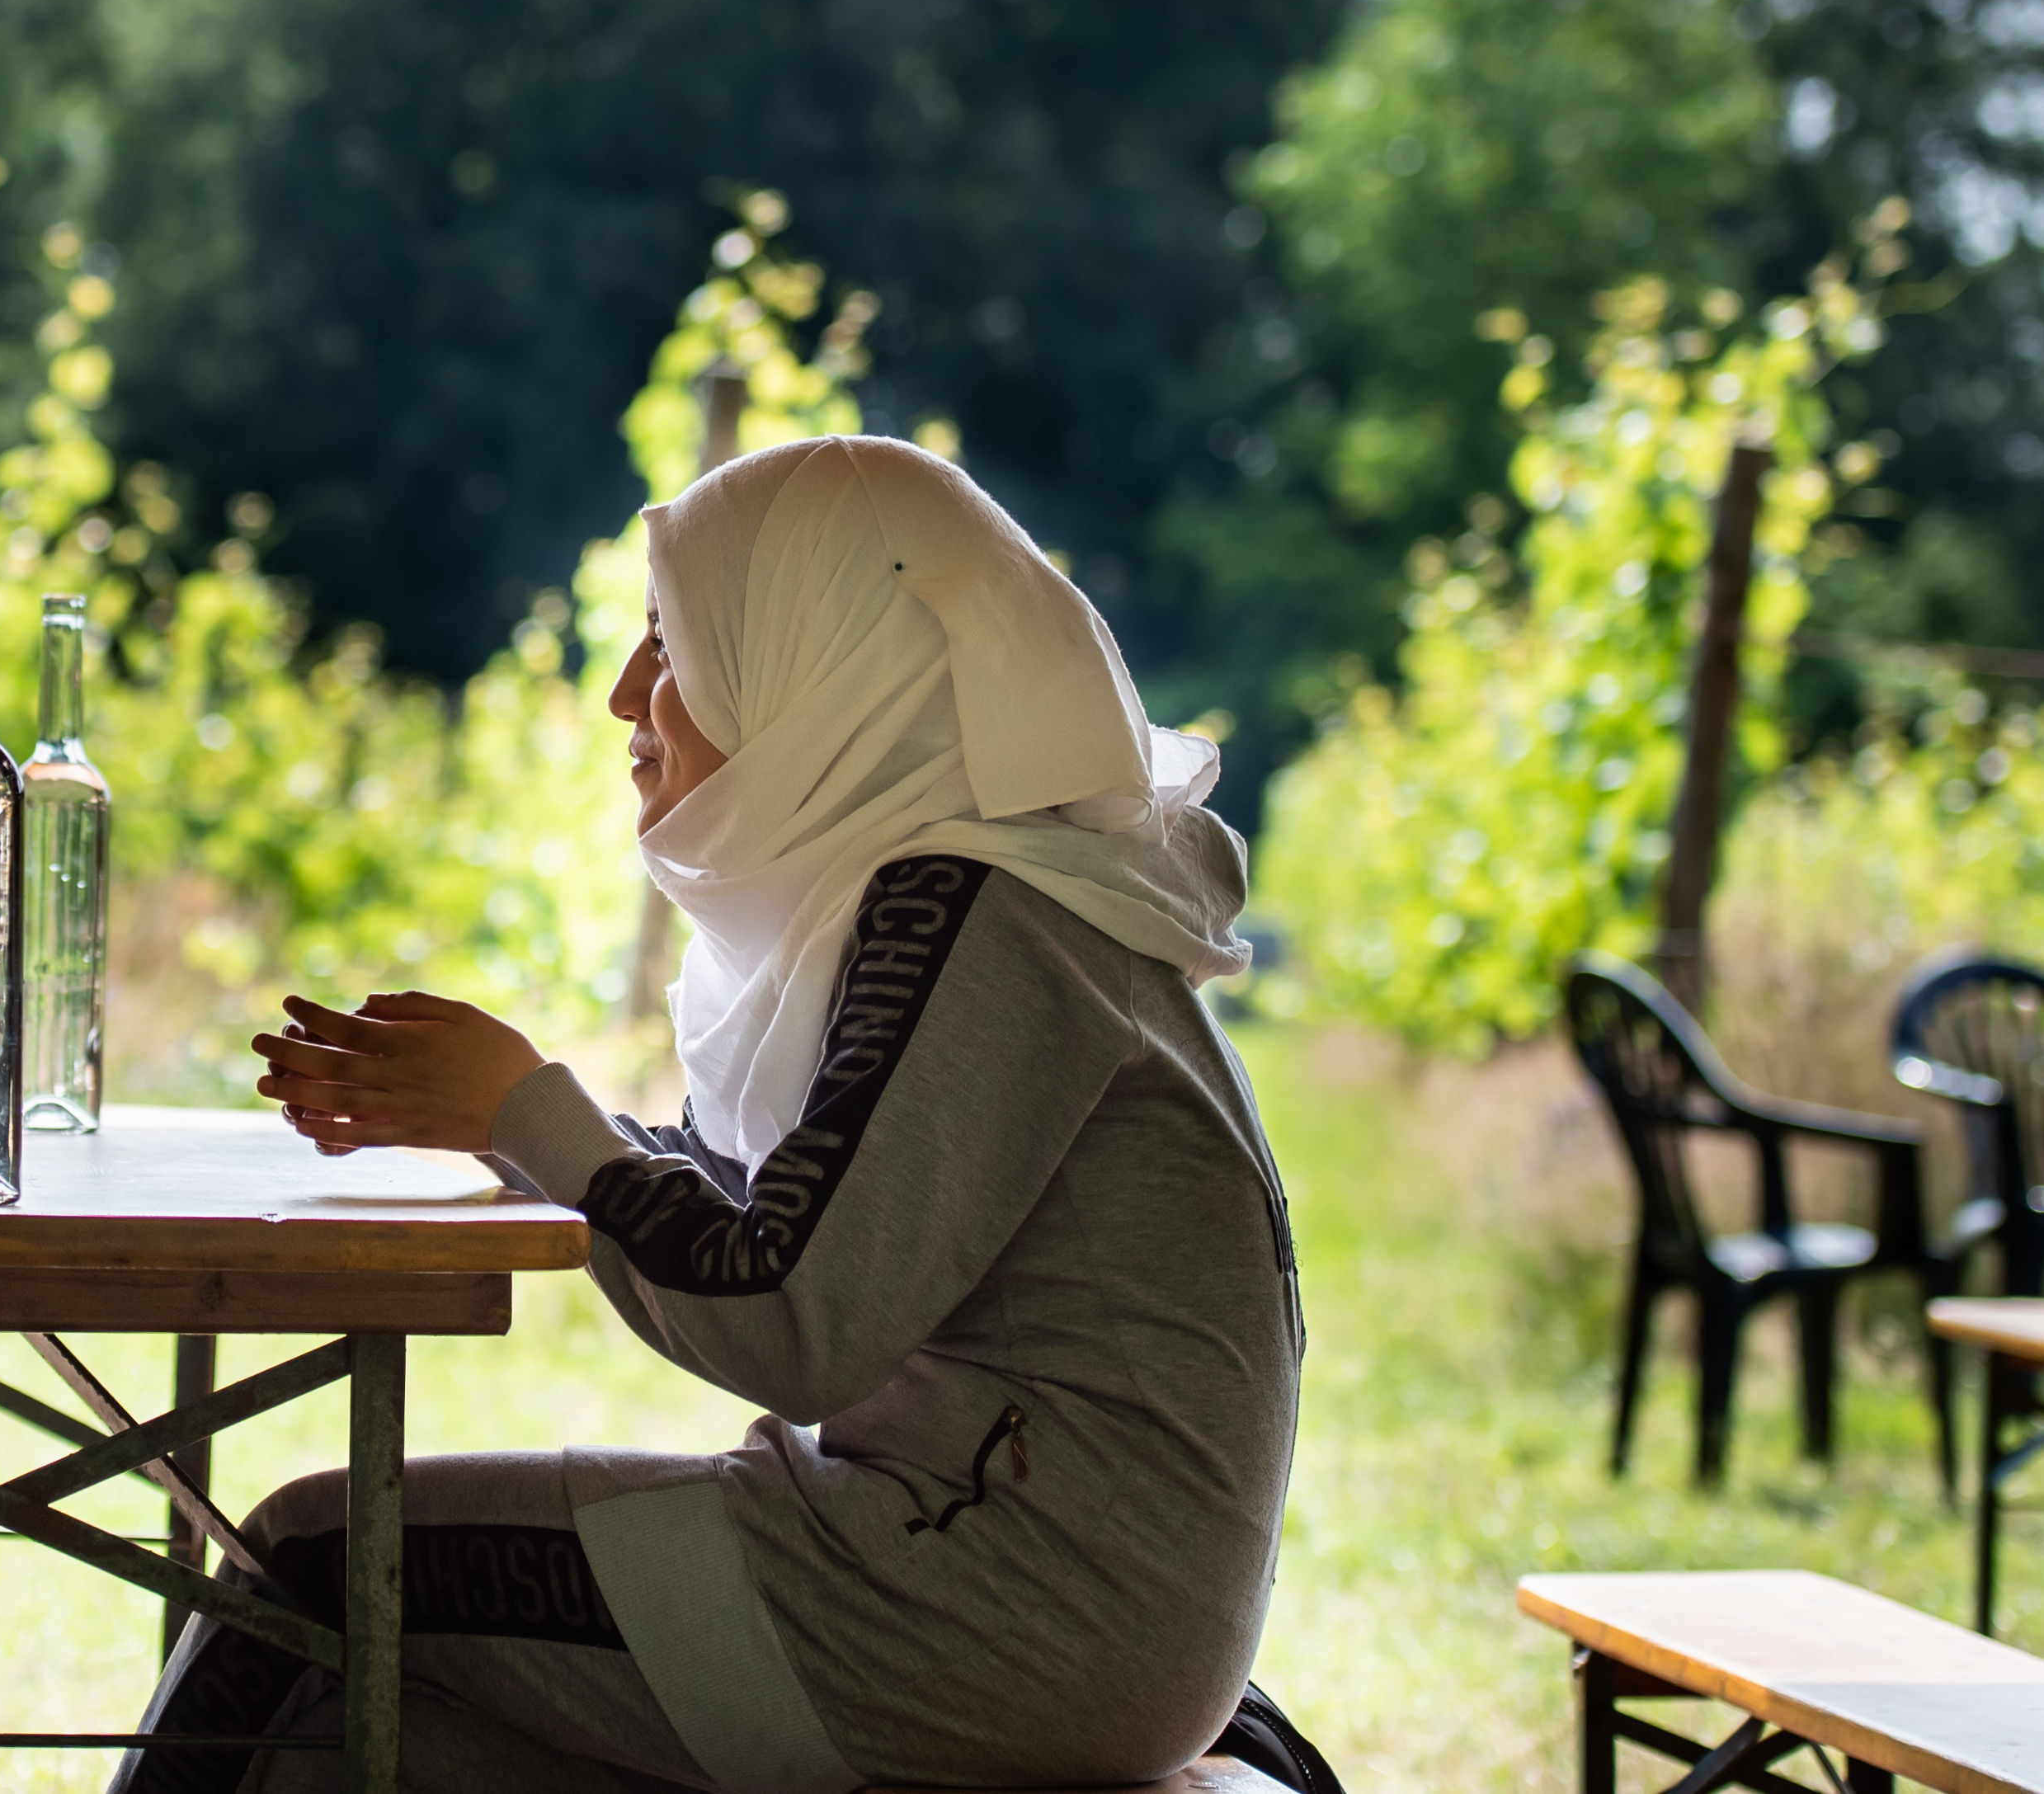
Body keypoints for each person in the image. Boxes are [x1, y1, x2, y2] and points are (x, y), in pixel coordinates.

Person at [130, 434, 1302, 1793]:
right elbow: (796, 1210)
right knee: (356, 1741)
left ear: (815, 670)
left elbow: (786, 1308)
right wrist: (499, 1124)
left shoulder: (979, 911)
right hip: (1052, 1589)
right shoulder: (994, 891)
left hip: (990, 1605)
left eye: (675, 644)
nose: (628, 691)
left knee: (310, 1568)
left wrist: (526, 1109)